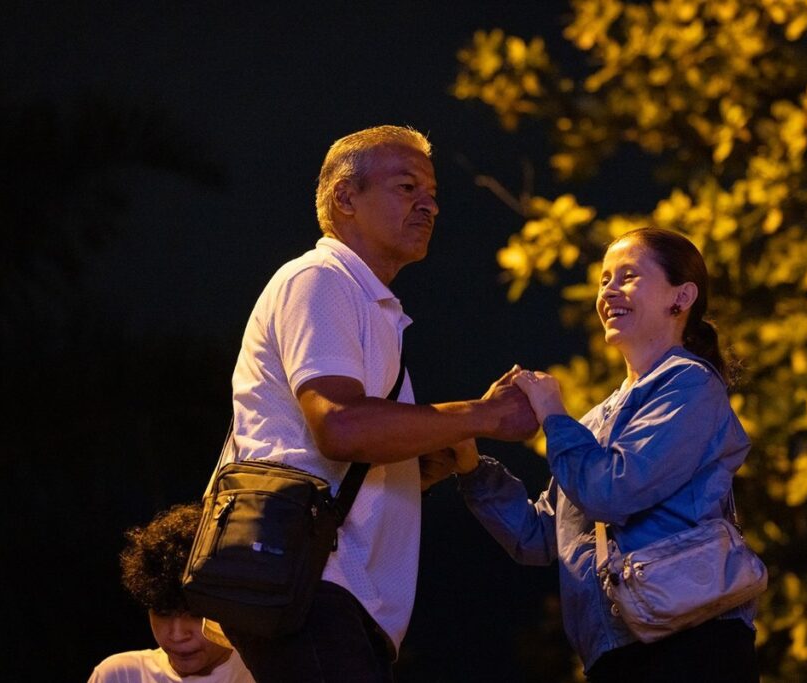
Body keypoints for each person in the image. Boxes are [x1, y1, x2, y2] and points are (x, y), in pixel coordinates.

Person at [220, 124, 538, 682]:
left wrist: (430, 456)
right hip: (315, 583)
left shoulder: (370, 304)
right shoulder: (321, 279)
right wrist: (486, 414)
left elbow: (346, 455)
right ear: (345, 198)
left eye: (432, 192)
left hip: (334, 592)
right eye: (407, 187)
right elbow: (341, 428)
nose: (430, 205)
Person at [452, 227, 761, 681]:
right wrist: (470, 463)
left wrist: (554, 416)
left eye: (628, 277)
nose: (608, 292)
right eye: (603, 280)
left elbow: (611, 491)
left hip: (692, 642)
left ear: (682, 297)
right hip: (618, 652)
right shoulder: (597, 419)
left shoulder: (689, 385)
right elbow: (538, 537)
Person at [89, 503, 254, 683]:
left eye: (195, 615)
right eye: (163, 613)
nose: (177, 635)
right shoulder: (120, 676)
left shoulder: (260, 674)